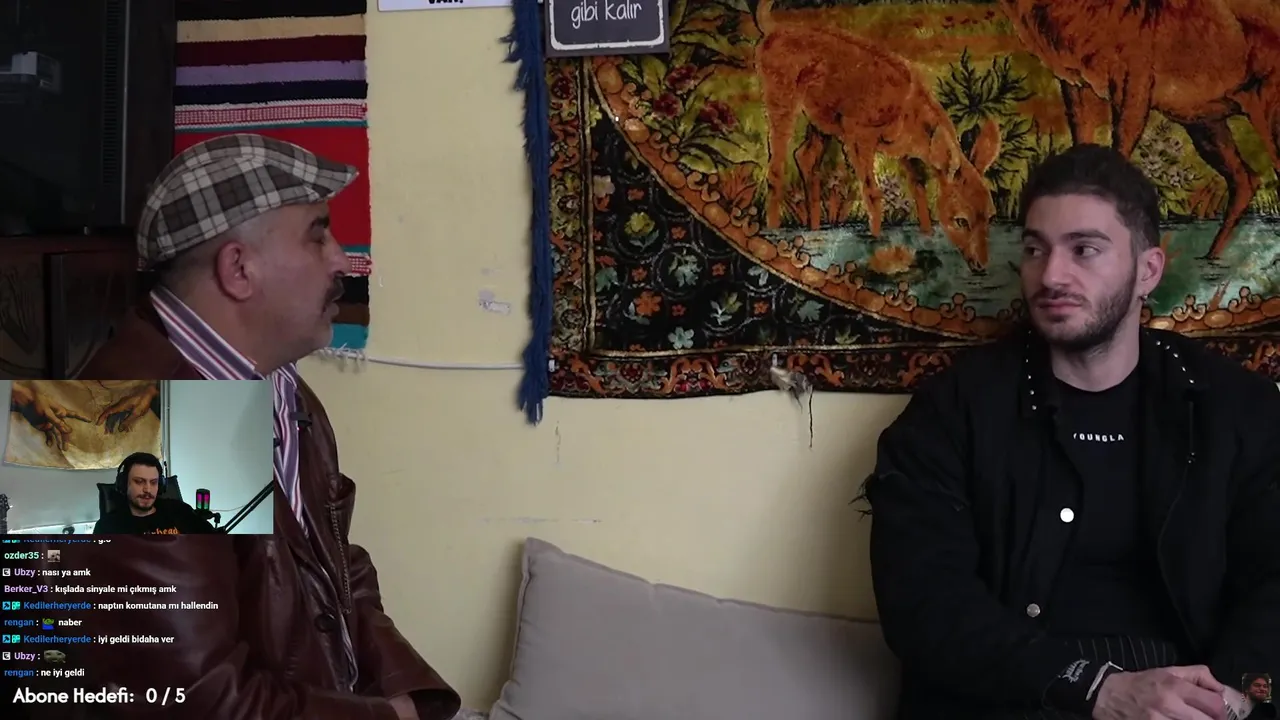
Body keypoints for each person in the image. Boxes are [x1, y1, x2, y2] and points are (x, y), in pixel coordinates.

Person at [860, 144, 1280, 720]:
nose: (1051, 274)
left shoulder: (1237, 409)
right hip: (1012, 698)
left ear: (1148, 271)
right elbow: (924, 604)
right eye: (1036, 249)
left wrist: (1237, 698)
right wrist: (1096, 689)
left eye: (1084, 249)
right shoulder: (953, 410)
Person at [58, 134, 459, 719]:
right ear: (239, 269)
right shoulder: (119, 425)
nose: (342, 260)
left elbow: (337, 564)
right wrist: (391, 716)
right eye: (318, 235)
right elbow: (197, 704)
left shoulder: (285, 390)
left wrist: (412, 691)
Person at [93, 451, 215, 535]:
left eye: (153, 482)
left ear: (160, 485)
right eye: (139, 482)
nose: (148, 489)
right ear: (124, 484)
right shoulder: (108, 527)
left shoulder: (180, 511)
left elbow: (214, 543)